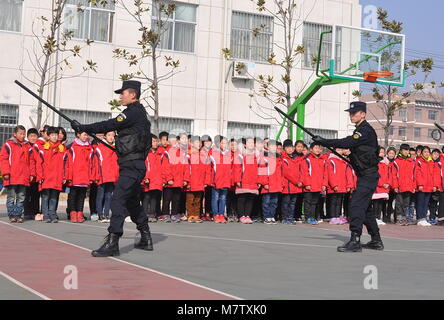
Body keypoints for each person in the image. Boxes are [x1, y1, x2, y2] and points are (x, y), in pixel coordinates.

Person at [72, 80, 152, 257]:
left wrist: (84, 128)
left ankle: (113, 241)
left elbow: (110, 124)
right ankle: (145, 237)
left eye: (122, 93)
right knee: (131, 202)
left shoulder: (132, 112)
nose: (120, 96)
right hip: (132, 164)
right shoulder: (139, 113)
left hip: (132, 165)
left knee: (117, 200)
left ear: (132, 95)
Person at [314, 101, 383, 252]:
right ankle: (376, 240)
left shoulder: (364, 130)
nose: (351, 115)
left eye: (354, 113)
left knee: (356, 206)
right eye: (350, 113)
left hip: (368, 176)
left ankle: (355, 240)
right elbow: (359, 151)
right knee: (365, 209)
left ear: (363, 114)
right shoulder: (361, 130)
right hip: (366, 175)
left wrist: (324, 141)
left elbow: (348, 142)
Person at [0, 125, 36, 223]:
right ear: (15, 134)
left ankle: (19, 215)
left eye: (24, 134)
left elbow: (31, 161)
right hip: (12, 176)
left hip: (24, 176)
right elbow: (3, 159)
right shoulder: (8, 145)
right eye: (20, 133)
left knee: (21, 197)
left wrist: (32, 173)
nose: (22, 135)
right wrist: (6, 172)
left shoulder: (27, 146)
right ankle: (12, 215)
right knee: (11, 197)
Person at [36, 126, 67, 223]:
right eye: (52, 135)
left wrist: (65, 176)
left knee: (54, 197)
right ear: (48, 136)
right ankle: (45, 214)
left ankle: (52, 213)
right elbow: (39, 163)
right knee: (45, 197)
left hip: (57, 177)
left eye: (56, 135)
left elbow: (66, 164)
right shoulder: (44, 148)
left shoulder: (62, 149)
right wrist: (40, 176)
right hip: (46, 177)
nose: (54, 137)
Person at [66, 130, 95, 223]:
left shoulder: (90, 148)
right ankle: (73, 213)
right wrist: (69, 177)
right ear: (78, 135)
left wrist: (91, 177)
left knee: (82, 196)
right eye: (84, 134)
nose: (86, 136)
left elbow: (92, 164)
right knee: (72, 196)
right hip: (75, 176)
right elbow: (69, 163)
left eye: (87, 135)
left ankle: (80, 213)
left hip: (85, 176)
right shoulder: (73, 148)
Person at [234, 137, 260, 224]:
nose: (251, 144)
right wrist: (237, 179)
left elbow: (259, 169)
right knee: (242, 198)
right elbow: (237, 168)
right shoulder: (241, 155)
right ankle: (241, 215)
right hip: (243, 180)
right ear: (245, 144)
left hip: (253, 181)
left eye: (253, 143)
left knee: (250, 199)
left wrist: (259, 181)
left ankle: (247, 215)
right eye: (249, 143)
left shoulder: (257, 156)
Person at [94, 131, 119, 223]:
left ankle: (107, 214)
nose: (111, 137)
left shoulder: (116, 148)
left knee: (109, 196)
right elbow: (96, 163)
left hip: (112, 176)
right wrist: (96, 176)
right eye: (109, 135)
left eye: (113, 135)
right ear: (105, 136)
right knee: (100, 196)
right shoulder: (100, 148)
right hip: (102, 175)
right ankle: (100, 214)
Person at [300, 141, 326, 225]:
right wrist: (307, 184)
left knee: (314, 202)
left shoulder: (322, 160)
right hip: (309, 185)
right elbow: (305, 172)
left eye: (319, 148)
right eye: (316, 148)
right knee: (308, 202)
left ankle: (313, 217)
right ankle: (308, 217)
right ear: (311, 149)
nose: (318, 150)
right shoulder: (307, 159)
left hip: (318, 185)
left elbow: (325, 173)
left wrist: (324, 184)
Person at [258, 140, 282, 225]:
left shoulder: (279, 158)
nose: (273, 148)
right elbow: (262, 172)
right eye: (271, 146)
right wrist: (264, 183)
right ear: (267, 147)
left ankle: (272, 216)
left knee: (274, 202)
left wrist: (280, 184)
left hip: (276, 184)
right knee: (266, 202)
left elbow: (280, 173)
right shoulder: (264, 158)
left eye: (275, 146)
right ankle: (266, 217)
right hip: (268, 184)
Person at [392, 144, 416, 226]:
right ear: (401, 151)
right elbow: (394, 175)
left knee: (406, 204)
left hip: (409, 186)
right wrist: (395, 186)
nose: (406, 152)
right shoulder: (396, 162)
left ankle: (404, 217)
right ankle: (399, 218)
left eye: (407, 150)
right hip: (399, 186)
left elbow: (414, 175)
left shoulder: (412, 162)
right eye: (404, 150)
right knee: (399, 203)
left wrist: (413, 186)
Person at [414, 146, 435, 227]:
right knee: (420, 203)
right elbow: (417, 174)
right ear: (422, 153)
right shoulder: (419, 161)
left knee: (426, 204)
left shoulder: (431, 162)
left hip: (429, 186)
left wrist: (434, 185)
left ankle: (424, 218)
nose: (426, 153)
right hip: (422, 186)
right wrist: (420, 184)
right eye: (425, 152)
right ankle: (420, 218)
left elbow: (433, 175)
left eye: (427, 152)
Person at [23, 128, 41, 220]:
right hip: (27, 175)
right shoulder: (25, 147)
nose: (33, 138)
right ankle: (26, 212)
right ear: (28, 137)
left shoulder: (39, 146)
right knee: (26, 195)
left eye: (35, 136)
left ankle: (35, 212)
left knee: (36, 195)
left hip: (37, 176)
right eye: (31, 136)